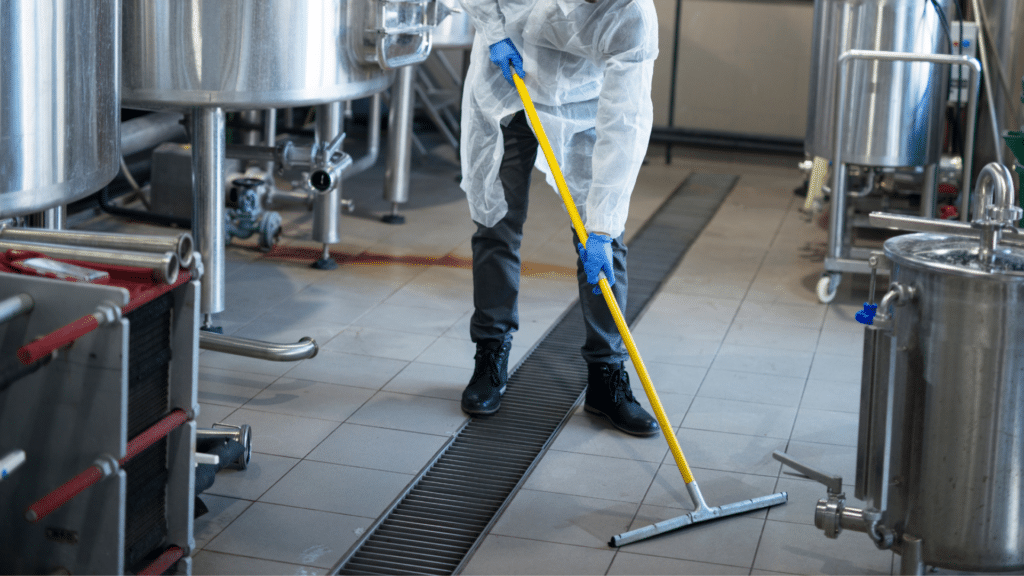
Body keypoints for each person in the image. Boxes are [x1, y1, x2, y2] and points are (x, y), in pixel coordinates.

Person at [457, 0, 660, 437]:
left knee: (602, 240)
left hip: (582, 101)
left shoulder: (632, 15)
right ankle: (490, 355)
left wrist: (603, 228)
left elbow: (626, 120)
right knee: (497, 222)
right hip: (507, 79)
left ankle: (607, 378)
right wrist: (493, 32)